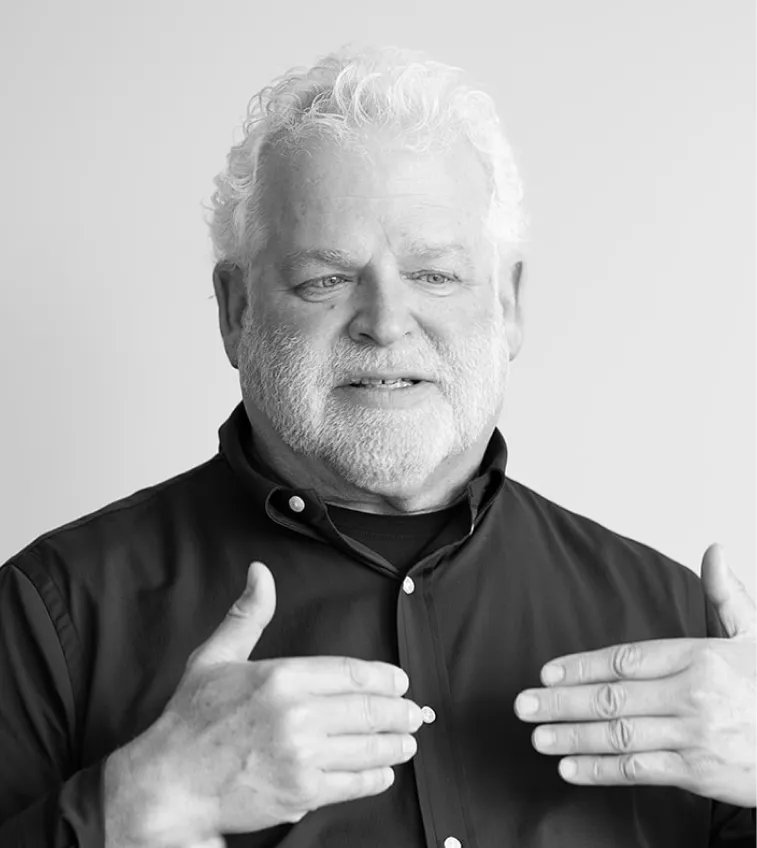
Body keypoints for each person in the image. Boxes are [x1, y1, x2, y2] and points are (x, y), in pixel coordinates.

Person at [0, 43, 755, 848]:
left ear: (508, 304)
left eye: (434, 274)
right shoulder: (51, 617)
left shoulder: (675, 626)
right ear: (234, 310)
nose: (385, 321)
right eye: (326, 279)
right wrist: (133, 810)